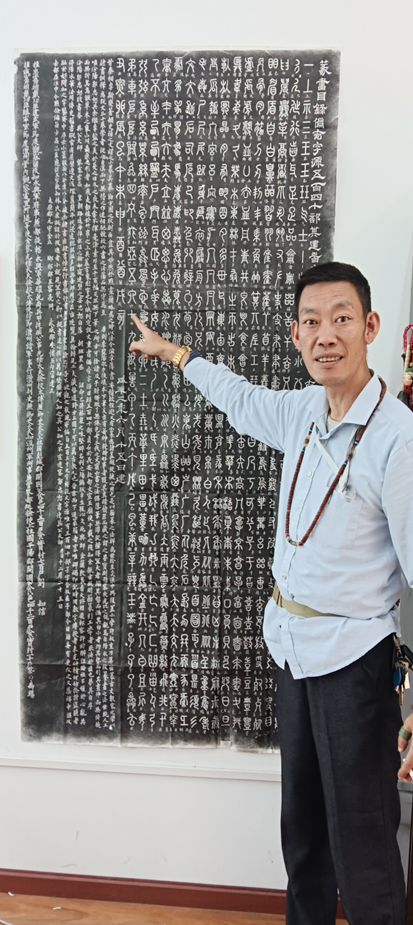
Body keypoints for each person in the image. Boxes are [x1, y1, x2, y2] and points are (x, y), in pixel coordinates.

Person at [129, 261, 413, 925]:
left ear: (370, 326)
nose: (326, 335)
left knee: (363, 842)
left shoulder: (398, 439)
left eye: (341, 318)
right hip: (291, 649)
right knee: (302, 831)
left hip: (354, 661)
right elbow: (237, 395)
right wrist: (175, 353)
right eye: (311, 321)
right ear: (295, 333)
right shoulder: (300, 412)